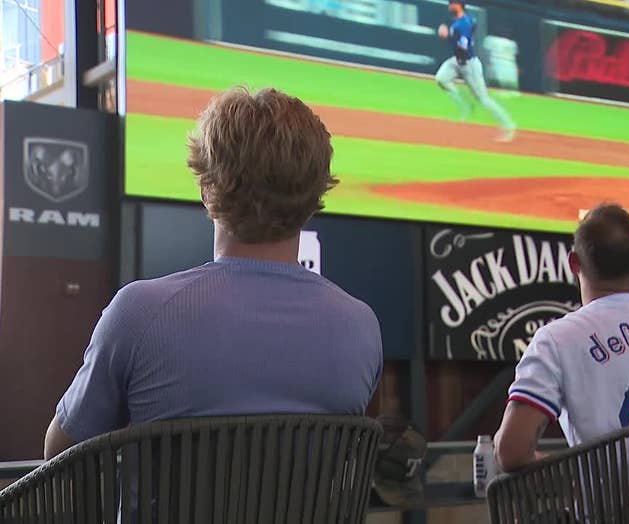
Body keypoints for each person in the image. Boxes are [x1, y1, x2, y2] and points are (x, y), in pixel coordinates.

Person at [44, 87, 383, 459]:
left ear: (208, 190)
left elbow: (60, 453)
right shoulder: (360, 328)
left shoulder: (138, 313)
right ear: (315, 197)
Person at [494, 203, 629, 472]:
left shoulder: (556, 340)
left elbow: (511, 453)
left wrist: (575, 475)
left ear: (574, 262)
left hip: (614, 510)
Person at [435, 0, 517, 142]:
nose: (449, 6)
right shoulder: (465, 20)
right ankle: (466, 106)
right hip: (457, 61)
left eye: (451, 3)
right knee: (441, 79)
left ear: (458, 5)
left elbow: (463, 47)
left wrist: (447, 35)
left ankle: (509, 126)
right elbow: (471, 26)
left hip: (469, 64)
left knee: (483, 99)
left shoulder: (463, 24)